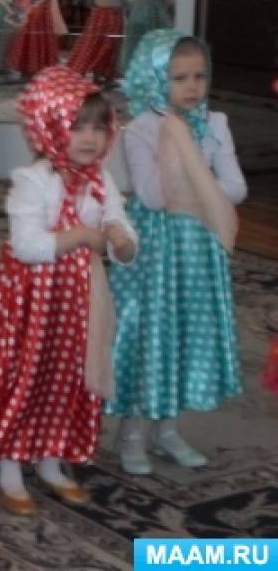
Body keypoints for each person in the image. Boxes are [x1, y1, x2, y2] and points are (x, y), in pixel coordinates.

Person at [0, 68, 137, 515]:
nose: (90, 138)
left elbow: (116, 218)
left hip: (78, 302)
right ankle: (11, 468)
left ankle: (52, 462)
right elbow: (27, 245)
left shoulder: (101, 180)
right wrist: (80, 236)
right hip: (29, 304)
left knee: (66, 377)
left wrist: (123, 239)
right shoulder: (32, 180)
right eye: (77, 126)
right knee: (24, 379)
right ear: (49, 127)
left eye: (98, 127)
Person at [107, 31, 247, 475]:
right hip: (155, 252)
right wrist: (193, 171)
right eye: (178, 77)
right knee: (149, 336)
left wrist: (194, 181)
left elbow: (236, 187)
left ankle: (167, 431)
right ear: (154, 78)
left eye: (199, 76)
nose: (191, 87)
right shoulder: (142, 129)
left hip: (198, 249)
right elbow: (151, 196)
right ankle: (132, 433)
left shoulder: (216, 123)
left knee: (185, 333)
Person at [66, 0, 132, 82]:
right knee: (110, 47)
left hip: (97, 18)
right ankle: (107, 74)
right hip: (114, 19)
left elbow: (96, 1)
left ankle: (95, 73)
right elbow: (129, 2)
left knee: (95, 45)